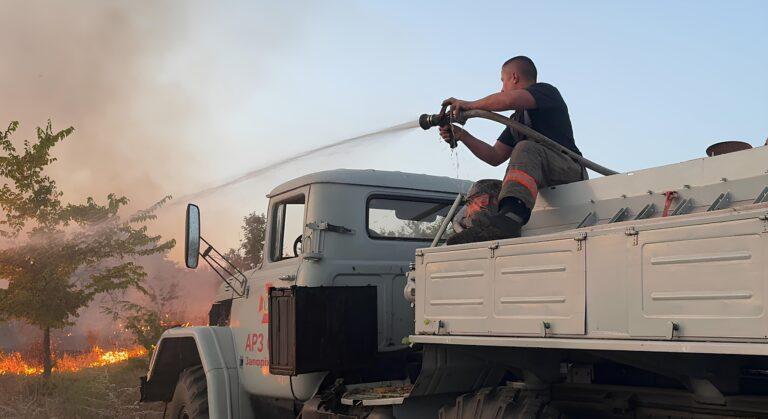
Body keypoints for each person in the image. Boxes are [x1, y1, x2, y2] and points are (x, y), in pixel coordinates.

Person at [440, 56, 585, 244]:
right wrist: (462, 135)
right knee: (485, 189)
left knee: (525, 148)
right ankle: (484, 228)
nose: (501, 88)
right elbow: (494, 156)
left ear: (514, 77)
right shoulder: (517, 120)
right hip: (544, 178)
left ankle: (509, 220)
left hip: (569, 169)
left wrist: (469, 105)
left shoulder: (546, 92)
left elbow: (506, 100)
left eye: (503, 81)